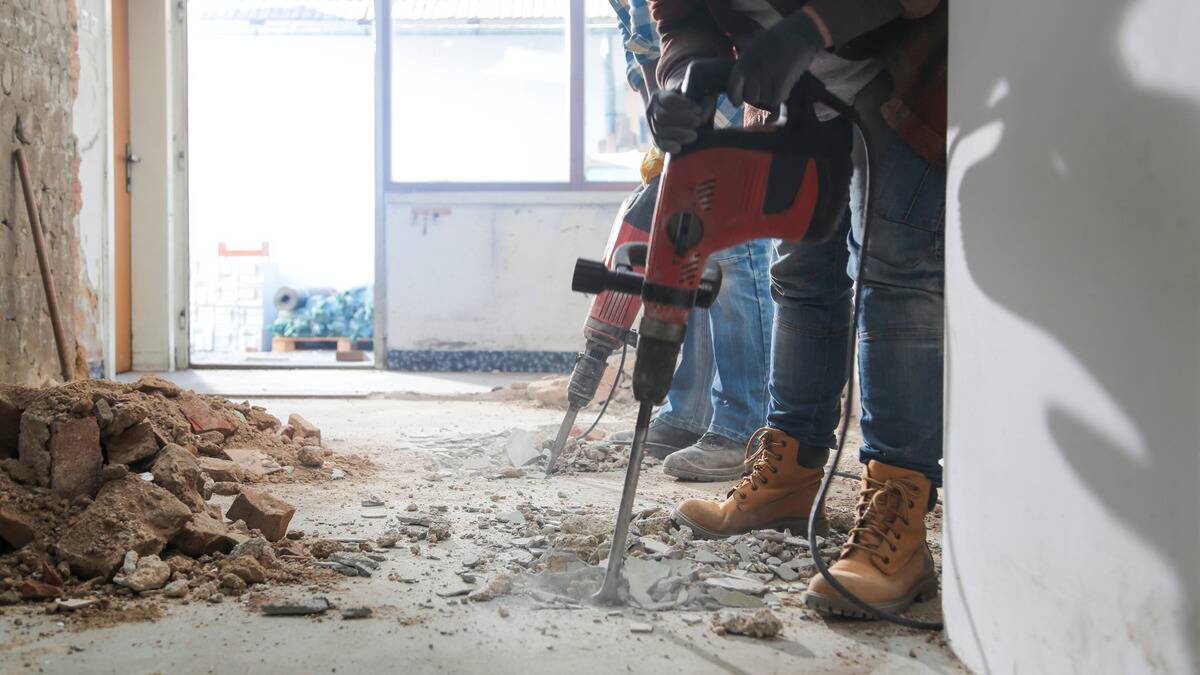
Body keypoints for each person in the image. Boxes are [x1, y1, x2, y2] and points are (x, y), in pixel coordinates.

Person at [647, 0, 947, 618]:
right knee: (801, 270)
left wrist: (815, 26)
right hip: (803, 93)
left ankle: (900, 520)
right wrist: (685, 79)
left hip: (908, 69)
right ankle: (789, 475)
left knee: (896, 276)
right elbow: (681, 18)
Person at [606, 0, 778, 482]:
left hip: (743, 95)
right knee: (693, 257)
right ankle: (689, 414)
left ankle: (745, 426)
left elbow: (727, 29)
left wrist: (711, 129)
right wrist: (665, 133)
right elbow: (644, 48)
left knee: (735, 256)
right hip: (684, 102)